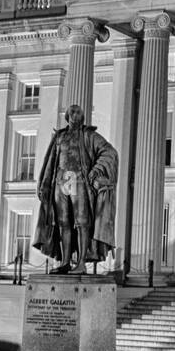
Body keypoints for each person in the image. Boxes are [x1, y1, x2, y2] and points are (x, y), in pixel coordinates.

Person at [32, 104, 118, 274]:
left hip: (79, 179)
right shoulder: (60, 137)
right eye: (72, 111)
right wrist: (45, 184)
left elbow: (110, 152)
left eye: (78, 111)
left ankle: (80, 263)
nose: (75, 113)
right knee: (63, 222)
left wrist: (95, 171)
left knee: (82, 222)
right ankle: (65, 262)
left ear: (83, 116)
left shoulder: (89, 135)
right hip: (61, 180)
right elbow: (51, 162)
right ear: (67, 115)